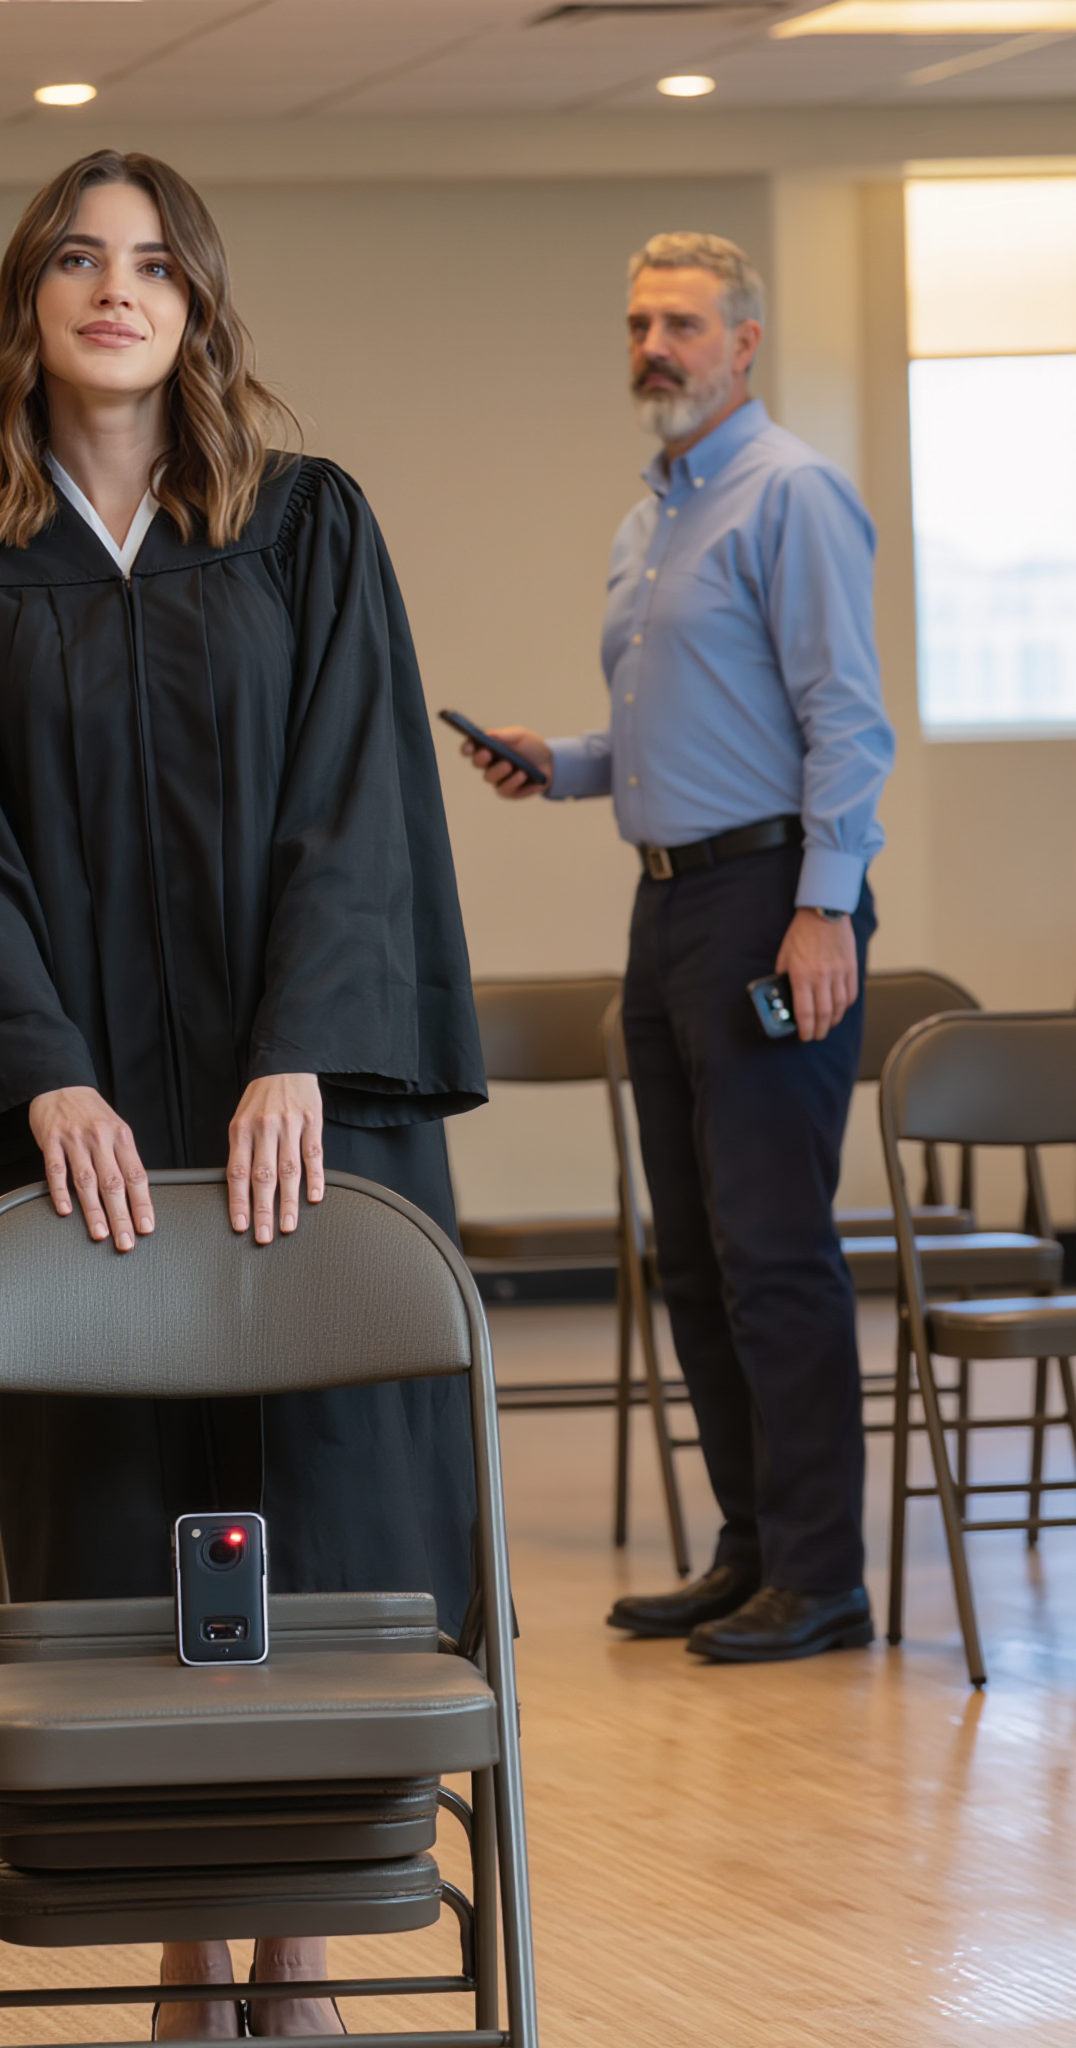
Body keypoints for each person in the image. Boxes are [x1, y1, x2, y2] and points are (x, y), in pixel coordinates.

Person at [0, 149, 487, 2037]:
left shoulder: (306, 525)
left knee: (339, 1510)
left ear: (197, 305)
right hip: (87, 1136)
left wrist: (300, 1044)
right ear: (30, 303)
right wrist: (44, 1079)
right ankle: (180, 1943)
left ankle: (306, 1948)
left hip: (306, 1106)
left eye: (151, 262)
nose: (114, 288)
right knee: (115, 1519)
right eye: (76, 257)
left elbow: (357, 799)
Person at [459, 231, 895, 1666]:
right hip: (667, 908)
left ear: (745, 343)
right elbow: (689, 735)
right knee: (696, 1254)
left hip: (774, 902)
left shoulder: (793, 494)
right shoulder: (651, 519)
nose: (655, 346)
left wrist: (825, 906)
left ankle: (822, 1576)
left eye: (685, 324)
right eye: (641, 322)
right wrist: (566, 763)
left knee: (774, 1248)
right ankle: (751, 1550)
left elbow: (846, 721)